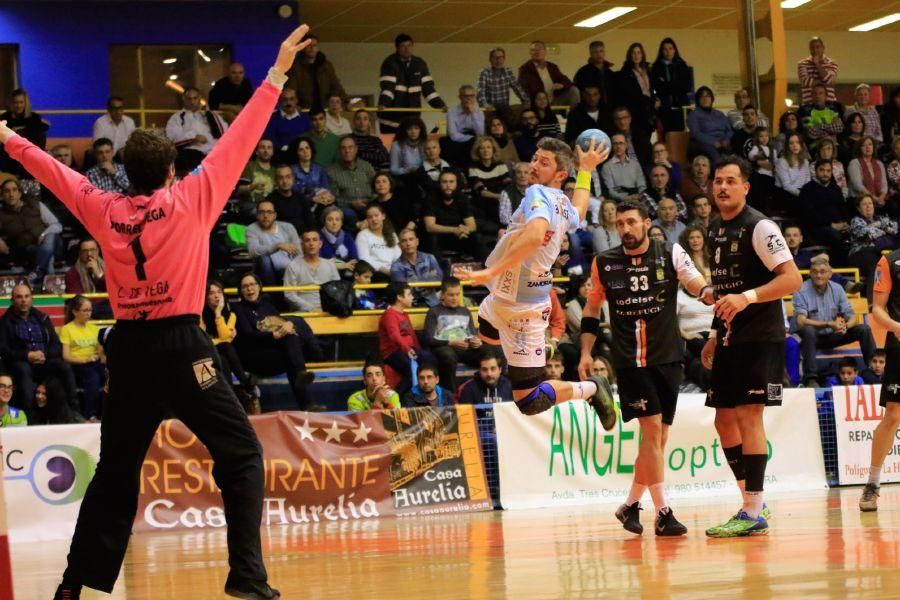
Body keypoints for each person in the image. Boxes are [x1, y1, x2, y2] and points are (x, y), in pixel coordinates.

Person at [0, 27, 315, 600]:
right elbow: (241, 139)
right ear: (171, 171)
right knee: (242, 455)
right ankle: (247, 577)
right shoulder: (193, 198)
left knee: (116, 474)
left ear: (125, 173)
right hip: (182, 346)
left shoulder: (103, 207)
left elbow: (56, 174)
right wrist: (275, 75)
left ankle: (74, 584)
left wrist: (8, 140)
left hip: (128, 352)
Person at [452, 136, 616, 426]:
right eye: (535, 158)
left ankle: (591, 388)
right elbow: (579, 211)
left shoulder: (537, 193)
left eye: (544, 162)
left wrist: (488, 273)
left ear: (560, 174)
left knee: (529, 401)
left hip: (522, 310)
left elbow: (535, 235)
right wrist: (587, 170)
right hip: (504, 298)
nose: (533, 165)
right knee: (488, 335)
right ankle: (544, 348)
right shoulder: (562, 202)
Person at [578, 200, 713, 537]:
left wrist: (718, 295)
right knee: (652, 432)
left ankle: (630, 505)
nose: (625, 228)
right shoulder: (605, 263)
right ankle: (664, 512)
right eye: (620, 223)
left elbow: (698, 286)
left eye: (631, 222)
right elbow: (592, 310)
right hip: (631, 361)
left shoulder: (671, 253)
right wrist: (584, 353)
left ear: (645, 223)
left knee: (658, 438)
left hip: (668, 356)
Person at [700, 155, 802, 538]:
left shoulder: (760, 227)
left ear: (745, 186)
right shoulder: (714, 229)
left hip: (762, 336)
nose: (722, 187)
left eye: (730, 181)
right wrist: (713, 334)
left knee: (747, 416)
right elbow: (724, 292)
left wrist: (748, 297)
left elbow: (792, 279)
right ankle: (751, 500)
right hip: (729, 337)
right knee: (723, 420)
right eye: (717, 181)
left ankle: (752, 510)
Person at [792, 257, 876, 386]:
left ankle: (873, 372)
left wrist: (846, 326)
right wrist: (828, 324)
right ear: (810, 273)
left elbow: (851, 315)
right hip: (811, 338)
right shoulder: (801, 290)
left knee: (864, 329)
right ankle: (811, 378)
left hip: (833, 335)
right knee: (808, 331)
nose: (818, 275)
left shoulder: (837, 288)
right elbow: (801, 321)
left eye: (822, 271)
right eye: (814, 272)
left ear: (830, 274)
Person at [859, 250, 900, 510]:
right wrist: (897, 327)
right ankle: (872, 484)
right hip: (899, 344)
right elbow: (877, 310)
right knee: (894, 416)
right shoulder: (890, 261)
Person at [0, 283, 79, 416]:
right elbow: (4, 350)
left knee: (64, 367)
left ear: (32, 299)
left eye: (26, 296)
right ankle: (31, 418)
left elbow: (56, 345)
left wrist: (44, 354)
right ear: (12, 300)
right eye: (19, 297)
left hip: (44, 361)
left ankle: (74, 411)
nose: (23, 300)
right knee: (23, 370)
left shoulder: (43, 318)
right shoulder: (4, 322)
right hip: (20, 363)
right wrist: (27, 355)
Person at [199, 280, 259, 414]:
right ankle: (245, 382)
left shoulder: (231, 315)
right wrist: (219, 340)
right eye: (212, 293)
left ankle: (231, 402)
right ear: (205, 297)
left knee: (224, 360)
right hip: (205, 354)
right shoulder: (200, 315)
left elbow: (224, 337)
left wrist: (218, 313)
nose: (217, 296)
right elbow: (205, 341)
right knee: (226, 346)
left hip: (222, 354)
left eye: (219, 292)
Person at [0, 177, 63, 289]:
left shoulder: (35, 205)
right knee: (48, 256)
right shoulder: (1, 214)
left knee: (51, 236)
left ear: (20, 193)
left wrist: (43, 234)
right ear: (2, 195)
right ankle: (47, 282)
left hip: (52, 244)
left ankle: (38, 271)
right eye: (7, 191)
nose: (11, 194)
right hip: (27, 250)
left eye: (14, 190)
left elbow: (57, 225)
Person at [377, 33, 446, 133]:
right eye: (403, 46)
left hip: (412, 119)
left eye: (409, 45)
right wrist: (383, 104)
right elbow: (388, 87)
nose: (407, 49)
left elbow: (428, 89)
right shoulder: (389, 63)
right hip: (391, 120)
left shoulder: (420, 63)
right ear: (397, 48)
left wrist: (440, 105)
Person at [423, 277, 482, 391]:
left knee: (489, 353)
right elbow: (429, 339)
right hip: (444, 347)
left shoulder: (465, 311)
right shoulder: (434, 312)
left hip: (465, 348)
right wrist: (451, 342)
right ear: (442, 295)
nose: (455, 298)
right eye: (451, 295)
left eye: (457, 294)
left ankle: (481, 390)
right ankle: (450, 392)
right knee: (448, 356)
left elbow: (473, 334)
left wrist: (476, 342)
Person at [378, 281, 435, 391]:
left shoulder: (404, 314)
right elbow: (394, 336)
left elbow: (411, 335)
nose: (412, 297)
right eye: (409, 294)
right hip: (392, 352)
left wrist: (417, 349)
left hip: (407, 349)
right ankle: (400, 399)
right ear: (399, 297)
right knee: (410, 369)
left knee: (430, 358)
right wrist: (407, 349)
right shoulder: (389, 315)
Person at [60, 295, 106, 422]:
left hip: (93, 362)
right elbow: (66, 356)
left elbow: (100, 352)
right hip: (77, 364)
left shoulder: (94, 328)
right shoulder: (67, 329)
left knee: (110, 374)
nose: (88, 313)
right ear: (75, 312)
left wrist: (100, 355)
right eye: (85, 310)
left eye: (90, 310)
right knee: (93, 378)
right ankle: (89, 415)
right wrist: (84, 360)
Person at [423, 169, 486, 261]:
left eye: (451, 182)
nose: (448, 186)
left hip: (459, 236)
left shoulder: (462, 198)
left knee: (475, 237)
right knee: (431, 237)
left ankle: (486, 269)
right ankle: (438, 271)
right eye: (444, 182)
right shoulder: (431, 198)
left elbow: (472, 225)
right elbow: (430, 227)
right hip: (439, 237)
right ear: (439, 183)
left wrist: (463, 230)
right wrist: (454, 230)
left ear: (456, 183)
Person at [165, 87, 228, 173]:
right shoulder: (177, 117)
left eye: (195, 98)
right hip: (192, 153)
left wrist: (210, 114)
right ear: (183, 99)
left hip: (213, 153)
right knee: (188, 158)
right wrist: (193, 138)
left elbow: (223, 133)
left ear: (200, 99)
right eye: (189, 99)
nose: (192, 102)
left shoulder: (209, 115)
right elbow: (172, 140)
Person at [246, 199, 301, 285]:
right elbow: (253, 251)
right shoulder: (252, 228)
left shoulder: (287, 227)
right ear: (257, 215)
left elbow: (299, 250)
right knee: (264, 258)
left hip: (289, 270)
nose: (265, 215)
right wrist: (277, 246)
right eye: (261, 212)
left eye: (269, 212)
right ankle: (271, 293)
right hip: (266, 271)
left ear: (275, 215)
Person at [283, 229, 340, 312]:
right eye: (307, 240)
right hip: (303, 311)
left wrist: (328, 307)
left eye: (315, 240)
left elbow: (337, 289)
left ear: (320, 244)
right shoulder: (293, 266)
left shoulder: (330, 264)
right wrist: (311, 308)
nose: (311, 244)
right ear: (302, 245)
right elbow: (289, 294)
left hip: (328, 310)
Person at [285, 33, 346, 110]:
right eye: (309, 45)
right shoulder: (295, 66)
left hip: (323, 109)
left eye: (314, 45)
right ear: (303, 47)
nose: (312, 48)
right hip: (304, 109)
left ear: (318, 48)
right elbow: (291, 88)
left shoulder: (326, 65)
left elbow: (336, 84)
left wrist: (346, 101)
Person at [0, 89, 48, 177]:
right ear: (11, 103)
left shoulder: (34, 118)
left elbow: (39, 141)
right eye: (15, 102)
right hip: (9, 158)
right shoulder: (4, 118)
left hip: (28, 157)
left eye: (21, 102)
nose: (18, 106)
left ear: (26, 103)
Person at [518, 41, 578, 108]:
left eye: (540, 49)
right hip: (537, 103)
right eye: (534, 50)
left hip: (555, 101)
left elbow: (567, 81)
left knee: (573, 90)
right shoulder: (525, 69)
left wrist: (562, 85)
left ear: (545, 51)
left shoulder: (552, 67)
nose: (537, 52)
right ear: (530, 53)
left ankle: (575, 116)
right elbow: (522, 90)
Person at [390, 228, 442, 306]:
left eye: (411, 239)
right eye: (404, 241)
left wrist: (413, 283)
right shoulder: (396, 266)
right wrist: (428, 277)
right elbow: (403, 290)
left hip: (433, 304)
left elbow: (439, 279)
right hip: (410, 306)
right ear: (399, 245)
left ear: (417, 241)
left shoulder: (430, 258)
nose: (408, 243)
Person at [650, 38, 692, 133]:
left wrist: (666, 84)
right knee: (667, 136)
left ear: (674, 50)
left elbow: (687, 87)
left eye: (670, 48)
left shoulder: (682, 65)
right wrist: (675, 86)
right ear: (661, 51)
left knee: (682, 136)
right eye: (665, 49)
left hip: (682, 108)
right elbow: (658, 88)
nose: (668, 52)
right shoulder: (656, 67)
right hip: (665, 109)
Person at [476, 47, 530, 118]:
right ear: (490, 59)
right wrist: (485, 105)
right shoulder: (484, 72)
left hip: (504, 109)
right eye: (495, 57)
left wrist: (526, 101)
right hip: (490, 110)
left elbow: (517, 87)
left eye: (500, 57)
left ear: (504, 59)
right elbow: (480, 92)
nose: (498, 60)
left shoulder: (508, 71)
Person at [355, 203, 400, 279]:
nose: (374, 219)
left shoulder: (392, 234)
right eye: (370, 217)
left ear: (383, 216)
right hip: (374, 274)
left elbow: (398, 257)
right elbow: (364, 259)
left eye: (376, 215)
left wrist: (396, 271)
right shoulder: (362, 235)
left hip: (393, 272)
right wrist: (383, 269)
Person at [688, 87, 732, 161]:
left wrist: (726, 140)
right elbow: (695, 133)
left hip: (722, 143)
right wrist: (712, 142)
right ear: (698, 100)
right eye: (702, 96)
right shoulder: (693, 114)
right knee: (713, 153)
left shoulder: (720, 114)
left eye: (708, 96)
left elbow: (729, 130)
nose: (705, 99)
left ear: (712, 99)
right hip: (702, 144)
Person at [797, 36, 839, 106]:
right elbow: (805, 81)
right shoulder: (802, 64)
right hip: (809, 105)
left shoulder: (832, 63)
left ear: (823, 48)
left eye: (817, 47)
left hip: (829, 104)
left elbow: (829, 80)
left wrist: (817, 63)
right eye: (812, 48)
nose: (815, 50)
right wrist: (825, 84)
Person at [318, 205, 358, 274]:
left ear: (342, 223)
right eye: (330, 220)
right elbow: (319, 261)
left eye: (337, 219)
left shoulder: (347, 236)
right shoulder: (318, 237)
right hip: (325, 275)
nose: (334, 223)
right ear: (324, 222)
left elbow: (354, 259)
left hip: (347, 274)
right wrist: (342, 265)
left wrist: (344, 266)